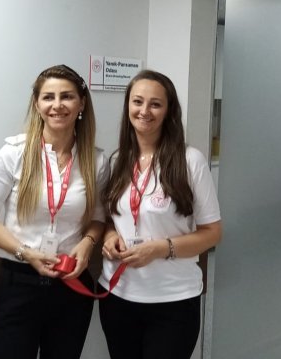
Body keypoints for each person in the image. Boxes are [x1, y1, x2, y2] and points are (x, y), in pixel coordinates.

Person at [0, 65, 108, 359]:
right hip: (19, 283)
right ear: (37, 104)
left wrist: (87, 244)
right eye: (48, 97)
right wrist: (26, 253)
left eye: (67, 96)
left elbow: (98, 217)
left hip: (72, 284)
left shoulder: (96, 161)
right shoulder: (13, 153)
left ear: (82, 104)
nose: (57, 105)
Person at [99, 69, 223, 359]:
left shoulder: (189, 161)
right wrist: (109, 236)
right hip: (117, 295)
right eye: (137, 102)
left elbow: (212, 233)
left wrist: (160, 249)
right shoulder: (118, 160)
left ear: (169, 111)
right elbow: (111, 219)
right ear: (128, 106)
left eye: (155, 104)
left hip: (172, 301)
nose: (144, 111)